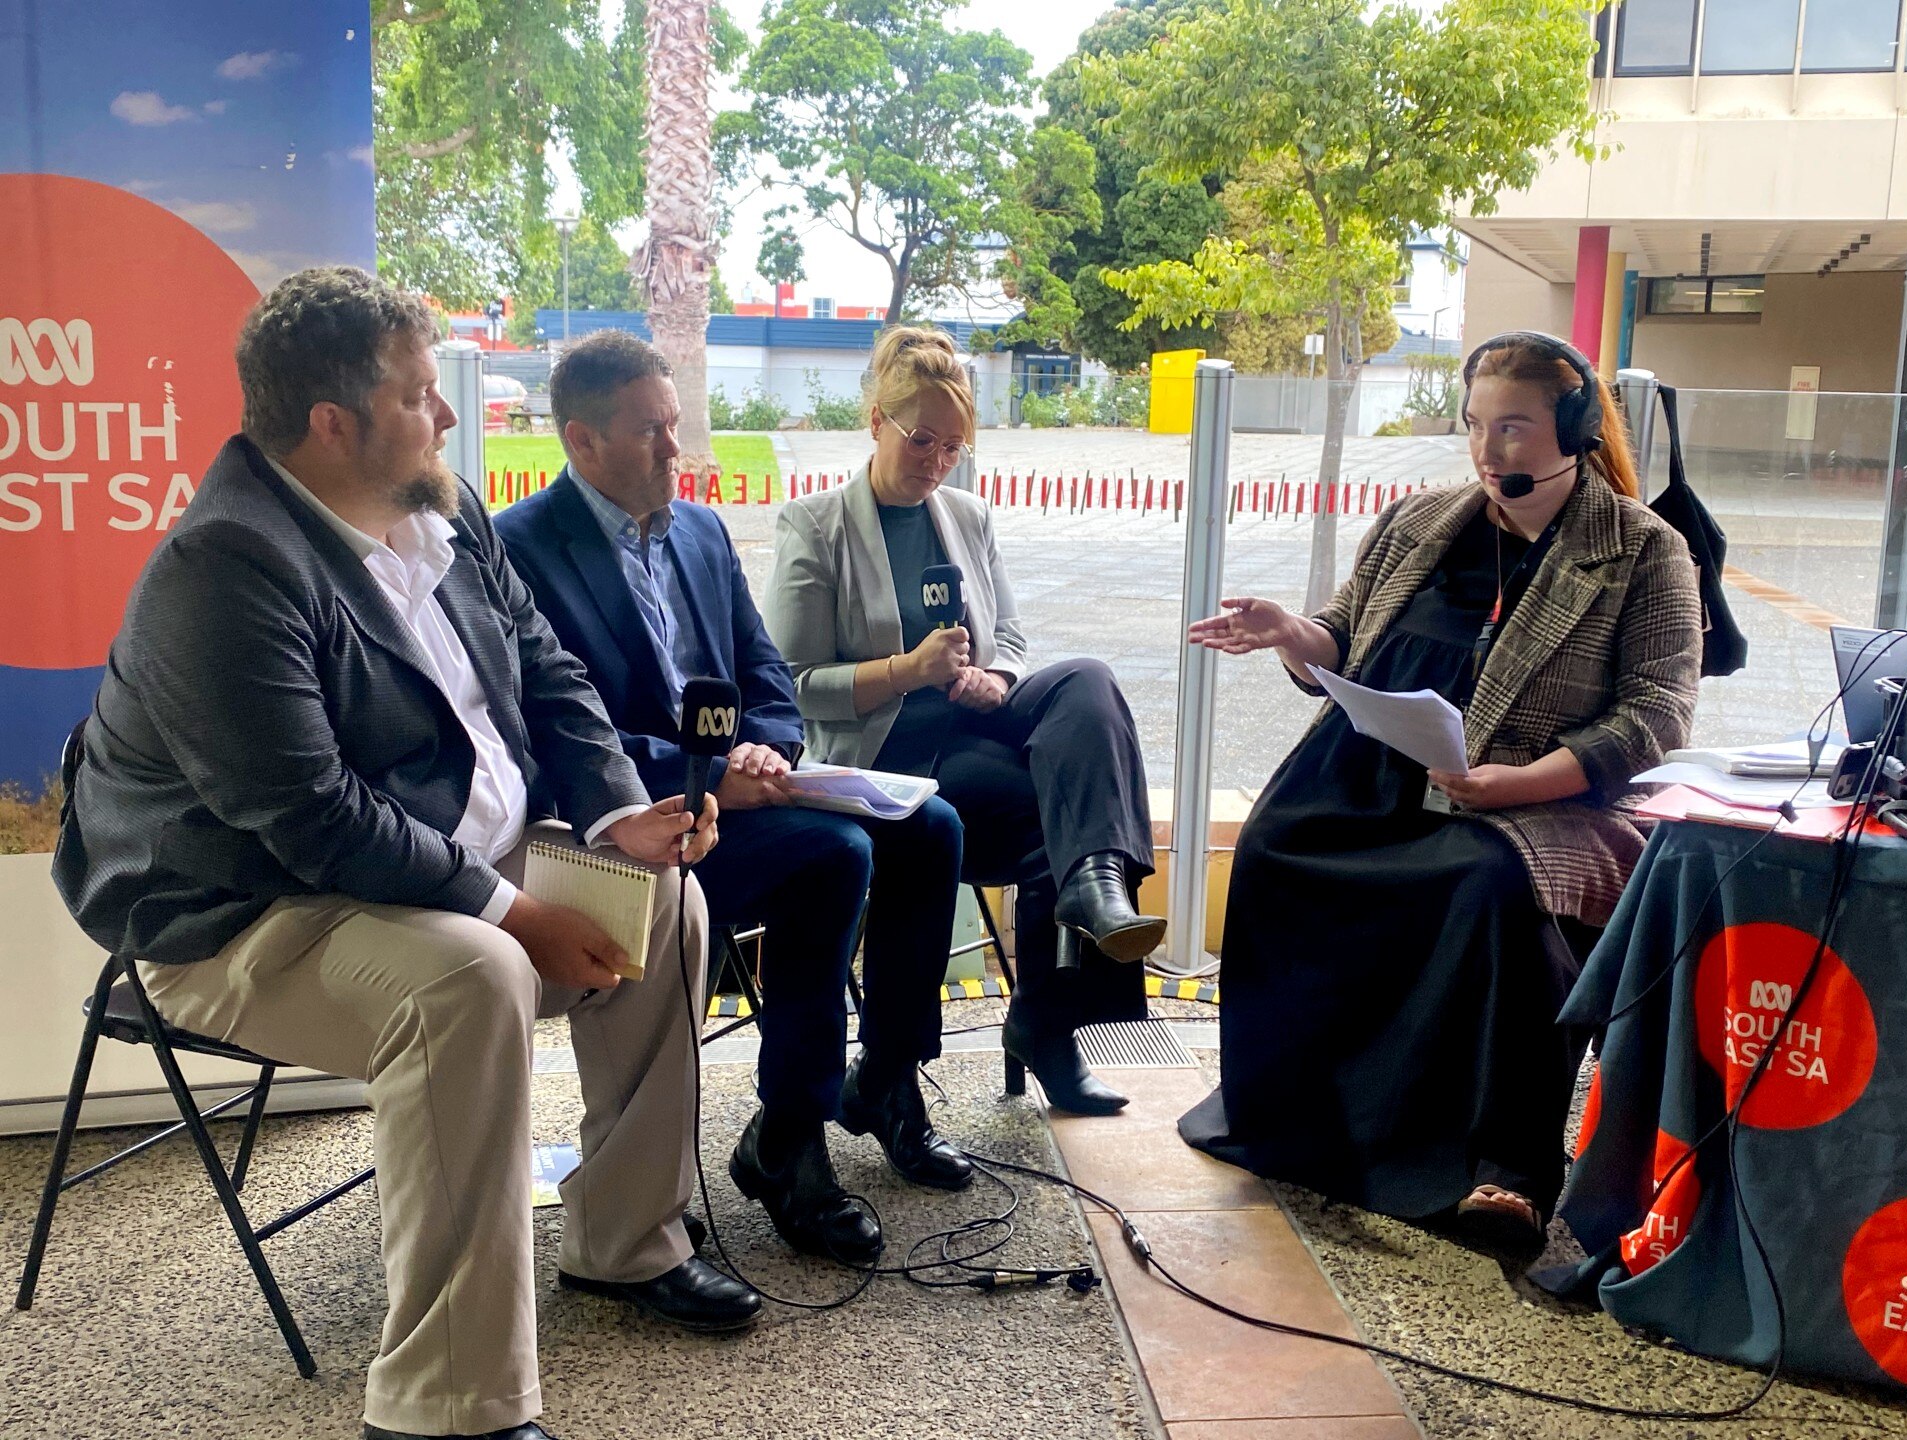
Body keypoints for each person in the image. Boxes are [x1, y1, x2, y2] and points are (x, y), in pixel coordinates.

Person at [52, 268, 754, 1440]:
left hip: (437, 863)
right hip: (240, 912)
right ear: (333, 424)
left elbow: (548, 674)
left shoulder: (444, 505)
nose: (445, 414)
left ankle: (628, 1244)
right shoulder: (224, 569)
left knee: (662, 901)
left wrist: (619, 811)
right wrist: (514, 913)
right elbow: (312, 816)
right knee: (466, 979)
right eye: (421, 394)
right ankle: (446, 1403)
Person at [1178, 331, 1702, 1251]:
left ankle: (1507, 1169)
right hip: (1365, 767)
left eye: (1514, 428)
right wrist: (1290, 632)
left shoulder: (1643, 551)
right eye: (1475, 426)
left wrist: (1521, 782)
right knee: (1271, 850)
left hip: (1541, 797)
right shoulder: (1419, 521)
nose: (1488, 450)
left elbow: (1657, 715)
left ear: (1574, 429)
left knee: (1485, 890)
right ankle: (1302, 1122)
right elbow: (1344, 636)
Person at [496, 331, 972, 1267]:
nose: (678, 451)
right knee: (835, 856)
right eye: (649, 433)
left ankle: (886, 1077)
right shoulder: (519, 551)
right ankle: (789, 1135)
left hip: (740, 791)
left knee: (931, 825)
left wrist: (767, 747)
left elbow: (766, 672)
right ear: (581, 441)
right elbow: (542, 735)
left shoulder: (703, 532)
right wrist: (709, 779)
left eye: (675, 427)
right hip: (630, 830)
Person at [763, 326, 1162, 1116]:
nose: (937, 463)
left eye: (953, 448)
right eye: (922, 440)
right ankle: (1045, 1029)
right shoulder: (816, 526)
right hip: (888, 758)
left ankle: (1096, 886)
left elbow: (1009, 633)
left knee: (1089, 680)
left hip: (975, 727)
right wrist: (906, 670)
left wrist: (996, 676)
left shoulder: (968, 515)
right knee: (1064, 821)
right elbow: (793, 684)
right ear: (876, 420)